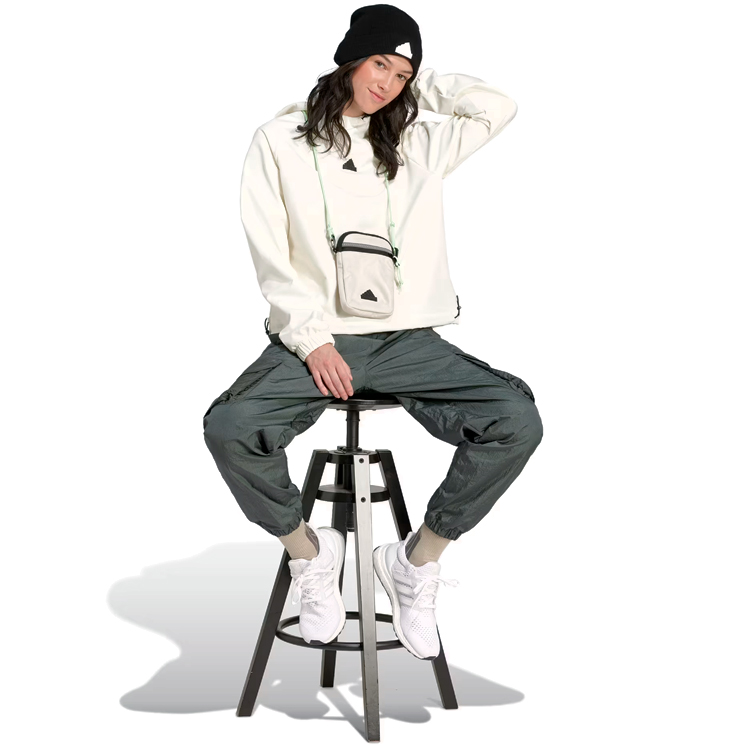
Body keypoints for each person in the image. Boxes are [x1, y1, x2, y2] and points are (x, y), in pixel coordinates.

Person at [203, 3, 543, 660]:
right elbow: (271, 253)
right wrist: (312, 341)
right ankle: (310, 554)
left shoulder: (416, 143)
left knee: (516, 420)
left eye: (401, 74)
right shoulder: (280, 140)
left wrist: (421, 78)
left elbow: (497, 107)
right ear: (349, 58)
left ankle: (416, 561)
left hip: (408, 340)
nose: (387, 83)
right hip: (318, 338)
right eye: (379, 64)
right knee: (230, 427)